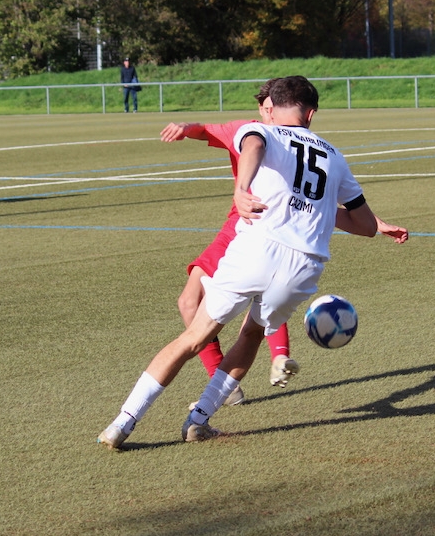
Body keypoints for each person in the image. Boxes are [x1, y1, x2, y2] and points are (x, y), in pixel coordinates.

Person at [98, 76, 408, 449]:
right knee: (252, 335)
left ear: (272, 107)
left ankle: (122, 423)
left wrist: (241, 189)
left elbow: (254, 145)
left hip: (257, 248)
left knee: (193, 337)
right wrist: (373, 224)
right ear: (311, 114)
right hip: (303, 267)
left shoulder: (261, 129)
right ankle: (198, 421)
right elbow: (362, 224)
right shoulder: (334, 156)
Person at [161, 80, 298, 405]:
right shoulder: (245, 131)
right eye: (267, 107)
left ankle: (264, 364)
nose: (271, 114)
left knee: (259, 297)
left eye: (276, 108)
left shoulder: (296, 143)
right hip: (238, 225)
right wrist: (186, 128)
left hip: (264, 228)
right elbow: (206, 130)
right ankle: (228, 383)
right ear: (261, 109)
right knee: (190, 302)